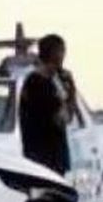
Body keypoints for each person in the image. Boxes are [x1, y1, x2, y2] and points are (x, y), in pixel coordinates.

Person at [19, 33, 73, 176]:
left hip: (52, 156)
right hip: (44, 157)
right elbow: (62, 119)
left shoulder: (55, 79)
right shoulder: (38, 82)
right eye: (62, 51)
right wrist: (70, 92)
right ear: (56, 53)